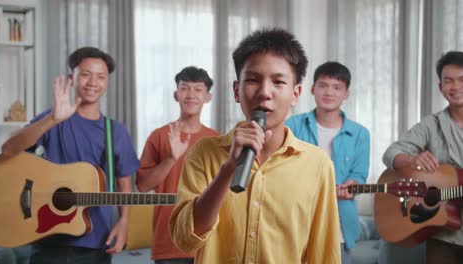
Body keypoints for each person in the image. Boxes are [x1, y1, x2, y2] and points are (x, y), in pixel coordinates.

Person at [168, 28, 341, 264]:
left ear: (295, 94)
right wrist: (229, 168)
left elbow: (324, 254)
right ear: (236, 91)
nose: (264, 93)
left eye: (278, 82)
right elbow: (184, 239)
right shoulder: (204, 153)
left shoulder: (318, 165)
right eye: (252, 80)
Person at [1, 47, 139, 264]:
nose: (93, 82)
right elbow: (9, 149)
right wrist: (53, 120)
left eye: (100, 76)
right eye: (86, 74)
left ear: (107, 83)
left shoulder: (116, 132)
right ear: (71, 78)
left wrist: (123, 222)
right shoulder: (53, 117)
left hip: (96, 243)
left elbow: (124, 185)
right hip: (46, 236)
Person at [382, 51, 463, 263]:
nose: (455, 87)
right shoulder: (431, 124)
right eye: (448, 81)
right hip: (442, 233)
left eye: (462, 80)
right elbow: (391, 153)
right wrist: (412, 159)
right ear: (440, 87)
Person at [285, 61, 370, 263]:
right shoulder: (292, 125)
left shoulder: (360, 134)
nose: (329, 92)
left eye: (337, 87)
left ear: (346, 94)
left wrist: (352, 186)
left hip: (339, 224)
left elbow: (358, 176)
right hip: (294, 220)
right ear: (312, 89)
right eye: (323, 85)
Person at [136, 66, 219, 264]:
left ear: (208, 97)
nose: (191, 95)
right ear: (176, 94)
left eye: (198, 89)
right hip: (168, 244)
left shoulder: (217, 141)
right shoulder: (158, 136)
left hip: (207, 243)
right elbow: (143, 186)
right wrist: (171, 159)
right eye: (185, 88)